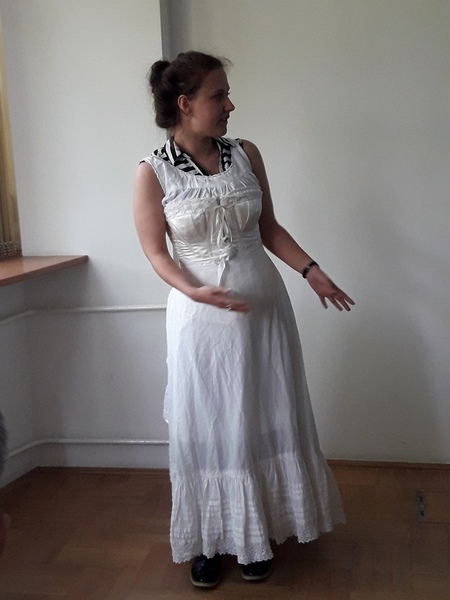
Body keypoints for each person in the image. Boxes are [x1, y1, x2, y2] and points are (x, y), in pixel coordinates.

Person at [133, 51, 355, 588]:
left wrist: (311, 271)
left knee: (262, 411)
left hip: (263, 313)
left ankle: (260, 531)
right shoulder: (152, 172)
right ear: (185, 104)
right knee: (208, 421)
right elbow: (157, 253)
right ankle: (212, 540)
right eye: (219, 96)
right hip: (200, 322)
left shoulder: (245, 153)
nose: (230, 105)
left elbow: (269, 228)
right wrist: (194, 290)